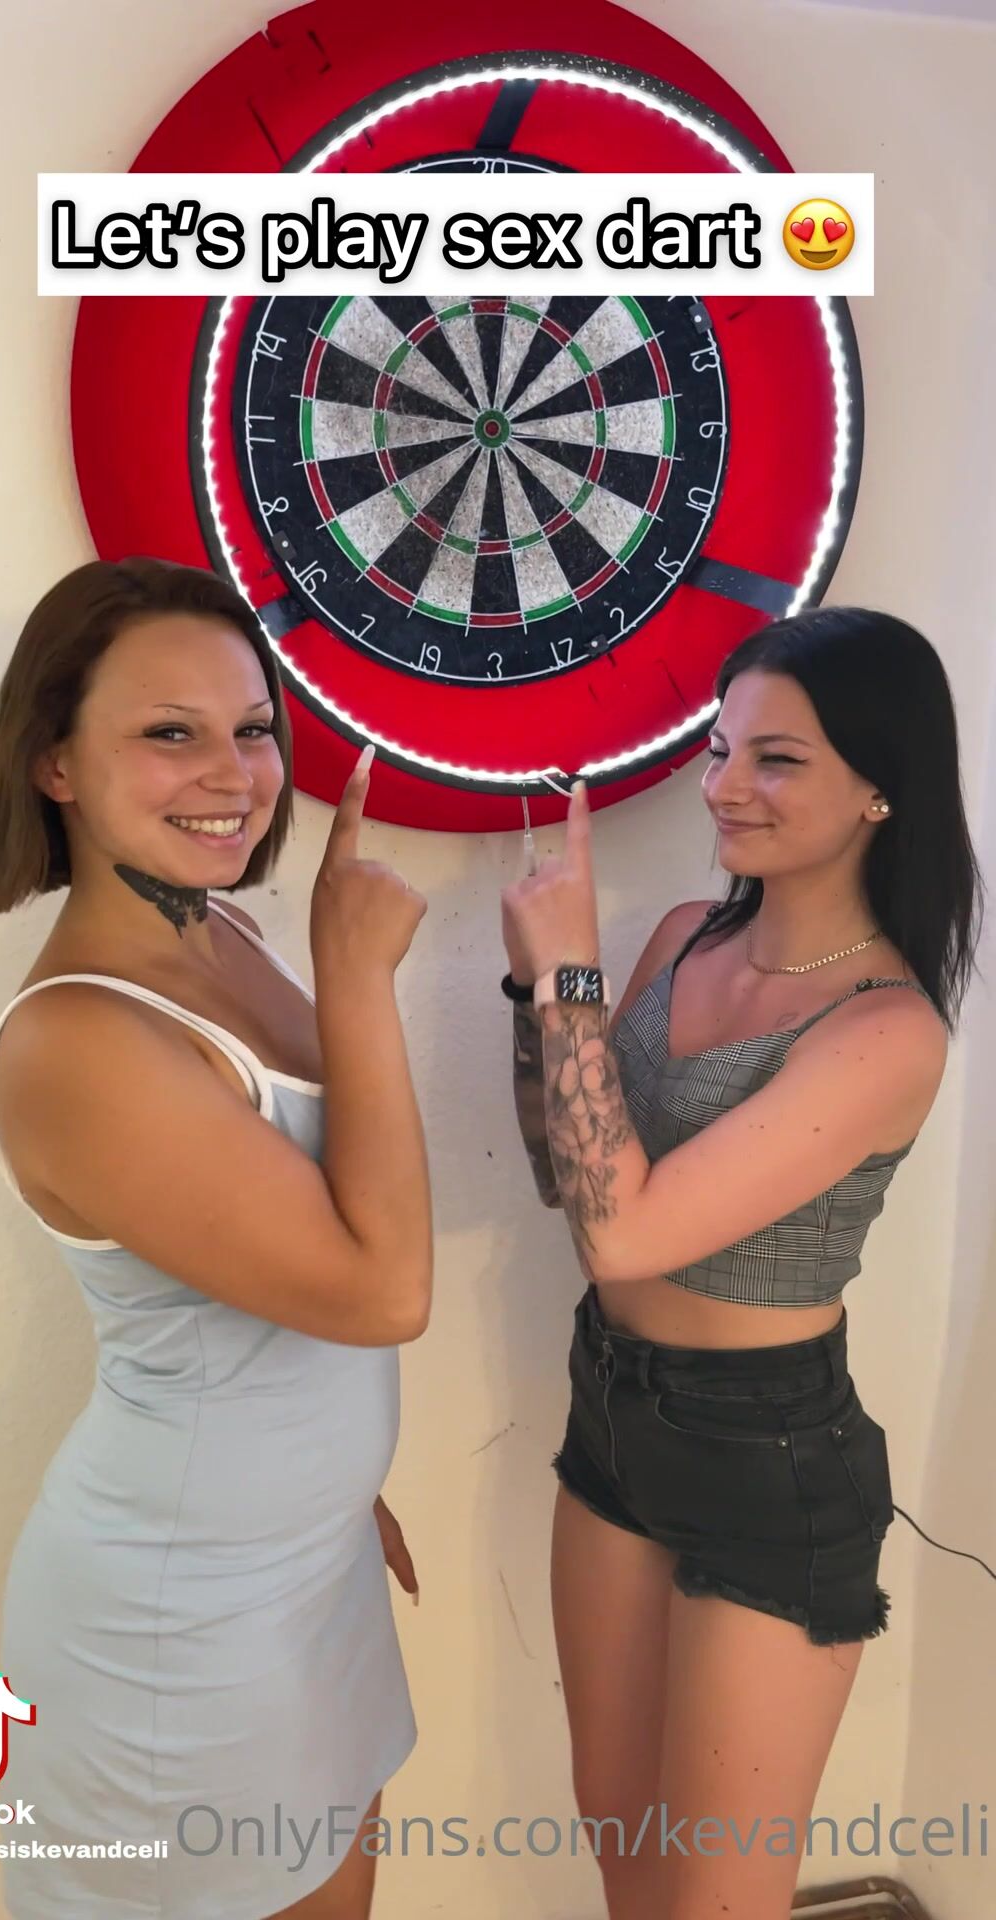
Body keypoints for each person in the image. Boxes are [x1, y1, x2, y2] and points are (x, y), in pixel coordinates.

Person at [0, 556, 432, 1920]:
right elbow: (382, 1289)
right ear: (55, 763)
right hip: (182, 1627)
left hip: (302, 1567)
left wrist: (332, 1479)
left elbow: (285, 1255)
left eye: (254, 728)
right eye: (171, 732)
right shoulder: (78, 1040)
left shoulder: (216, 932)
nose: (233, 772)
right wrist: (356, 977)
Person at [502, 606, 983, 1920]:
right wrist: (535, 991)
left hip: (768, 1460)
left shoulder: (886, 1028)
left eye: (777, 759)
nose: (723, 786)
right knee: (624, 1846)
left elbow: (627, 1229)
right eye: (722, 750)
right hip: (611, 1409)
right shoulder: (682, 939)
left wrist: (571, 973)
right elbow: (565, 1178)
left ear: (882, 787)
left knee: (718, 1897)